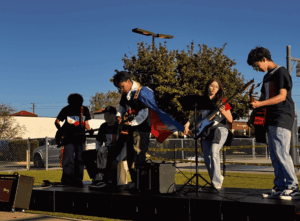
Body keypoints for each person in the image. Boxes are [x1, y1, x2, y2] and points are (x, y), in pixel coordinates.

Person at [247, 46, 299, 200]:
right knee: (275, 154)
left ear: (264, 59)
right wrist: (253, 114)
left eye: (257, 65)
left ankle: (292, 186)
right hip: (269, 118)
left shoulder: (281, 71)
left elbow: (282, 96)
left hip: (282, 115)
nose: (257, 69)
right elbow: (263, 99)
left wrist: (260, 104)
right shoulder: (266, 77)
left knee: (282, 152)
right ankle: (280, 186)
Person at [184, 78, 233, 190]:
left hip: (220, 129)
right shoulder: (203, 102)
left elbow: (230, 119)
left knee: (214, 152)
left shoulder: (222, 101)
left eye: (216, 86)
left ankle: (216, 183)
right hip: (206, 131)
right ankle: (215, 179)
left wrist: (222, 111)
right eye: (212, 85)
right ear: (207, 87)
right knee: (207, 158)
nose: (214, 88)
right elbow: (195, 116)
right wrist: (187, 124)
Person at [82, 106, 127, 188]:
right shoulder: (103, 126)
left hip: (117, 152)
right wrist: (98, 150)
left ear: (115, 116)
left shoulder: (120, 126)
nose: (106, 116)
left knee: (103, 150)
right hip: (105, 151)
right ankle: (95, 177)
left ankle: (101, 179)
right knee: (85, 154)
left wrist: (119, 158)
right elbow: (98, 141)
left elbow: (125, 144)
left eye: (109, 114)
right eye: (105, 114)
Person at [55, 93, 91, 187]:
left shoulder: (84, 109)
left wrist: (89, 130)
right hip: (69, 139)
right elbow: (57, 121)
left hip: (80, 139)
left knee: (77, 159)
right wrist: (61, 131)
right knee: (71, 160)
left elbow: (86, 123)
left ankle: (76, 179)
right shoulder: (67, 109)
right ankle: (70, 179)